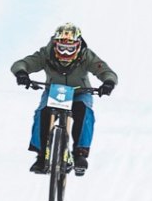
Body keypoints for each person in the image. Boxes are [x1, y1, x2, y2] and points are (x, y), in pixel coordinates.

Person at [11, 22, 117, 176]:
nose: (66, 53)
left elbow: (104, 70)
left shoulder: (86, 55)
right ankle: (41, 155)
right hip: (53, 91)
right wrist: (22, 73)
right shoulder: (45, 54)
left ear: (78, 46)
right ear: (55, 45)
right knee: (41, 113)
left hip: (80, 92)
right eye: (62, 48)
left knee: (85, 113)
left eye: (70, 49)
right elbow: (23, 63)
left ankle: (80, 153)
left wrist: (108, 82)